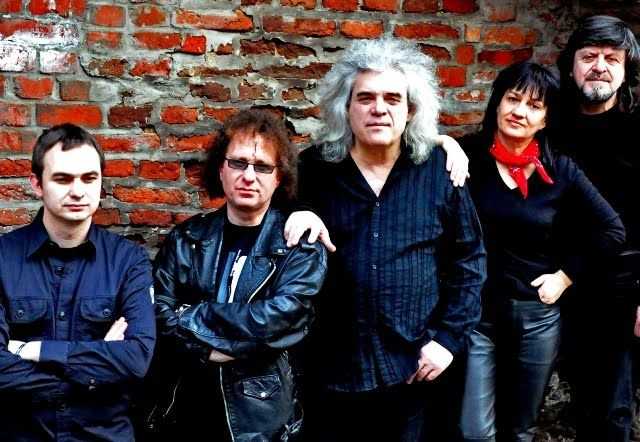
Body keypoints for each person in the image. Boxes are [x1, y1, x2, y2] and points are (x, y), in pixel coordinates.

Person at [285, 37, 487, 441]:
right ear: (346, 107)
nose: (379, 108)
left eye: (393, 99)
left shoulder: (440, 169)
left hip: (417, 368)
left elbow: (469, 262)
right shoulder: (313, 171)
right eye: (366, 98)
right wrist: (294, 212)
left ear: (410, 110)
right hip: (332, 371)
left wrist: (447, 341)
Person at [457, 61, 626, 442]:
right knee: (474, 432)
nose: (520, 111)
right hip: (477, 315)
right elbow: (414, 152)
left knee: (521, 430)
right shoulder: (467, 156)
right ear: (497, 103)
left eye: (534, 106)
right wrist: (443, 142)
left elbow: (612, 230)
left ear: (546, 119)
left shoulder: (560, 169)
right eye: (512, 99)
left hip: (536, 318)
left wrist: (565, 277)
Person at [149, 109, 327, 441]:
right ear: (221, 168)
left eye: (262, 167)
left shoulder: (298, 247)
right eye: (238, 163)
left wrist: (194, 315)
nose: (248, 176)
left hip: (260, 418)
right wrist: (206, 351)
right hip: (186, 408)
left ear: (278, 177)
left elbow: (282, 318)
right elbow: (157, 315)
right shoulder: (187, 239)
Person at [0, 123, 156, 441]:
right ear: (36, 184)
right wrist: (98, 365)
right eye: (62, 179)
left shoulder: (128, 261)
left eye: (89, 178)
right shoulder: (3, 258)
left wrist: (33, 350)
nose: (78, 191)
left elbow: (137, 358)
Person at [555, 15, 640, 442]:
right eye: (589, 56)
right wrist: (444, 142)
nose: (599, 67)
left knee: (611, 412)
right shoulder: (547, 126)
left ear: (626, 71)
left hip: (618, 291)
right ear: (571, 65)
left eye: (612, 58)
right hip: (554, 284)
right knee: (578, 407)